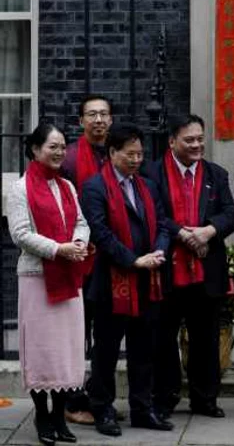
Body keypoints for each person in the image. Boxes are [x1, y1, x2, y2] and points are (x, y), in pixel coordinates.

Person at [81, 123, 172, 436]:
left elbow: (162, 223)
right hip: (111, 281)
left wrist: (158, 252)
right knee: (105, 351)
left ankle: (141, 409)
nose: (136, 160)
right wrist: (133, 260)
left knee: (143, 350)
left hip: (148, 279)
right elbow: (100, 233)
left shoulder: (146, 185)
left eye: (140, 154)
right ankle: (102, 408)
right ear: (112, 153)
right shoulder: (95, 187)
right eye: (130, 154)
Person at [148, 114, 234, 419]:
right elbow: (154, 214)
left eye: (200, 138)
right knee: (164, 336)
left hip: (206, 268)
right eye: (190, 140)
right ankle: (165, 396)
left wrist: (208, 231)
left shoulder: (216, 174)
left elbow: (230, 212)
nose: (197, 144)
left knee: (206, 337)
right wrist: (184, 234)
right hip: (167, 270)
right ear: (172, 141)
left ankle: (205, 398)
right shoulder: (152, 174)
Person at [7, 124, 90, 445]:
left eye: (62, 147)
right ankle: (43, 416)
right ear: (35, 150)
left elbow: (81, 222)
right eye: (51, 147)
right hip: (37, 278)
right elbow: (21, 234)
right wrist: (59, 249)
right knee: (42, 351)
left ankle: (59, 416)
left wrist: (79, 243)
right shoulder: (20, 188)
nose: (58, 152)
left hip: (69, 277)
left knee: (66, 351)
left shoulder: (67, 186)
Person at [60, 94, 113, 425]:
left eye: (104, 114)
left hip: (111, 260)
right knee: (76, 334)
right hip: (78, 259)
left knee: (105, 336)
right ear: (81, 121)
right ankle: (72, 401)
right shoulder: (67, 160)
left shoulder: (118, 154)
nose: (98, 120)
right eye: (91, 114)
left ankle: (98, 398)